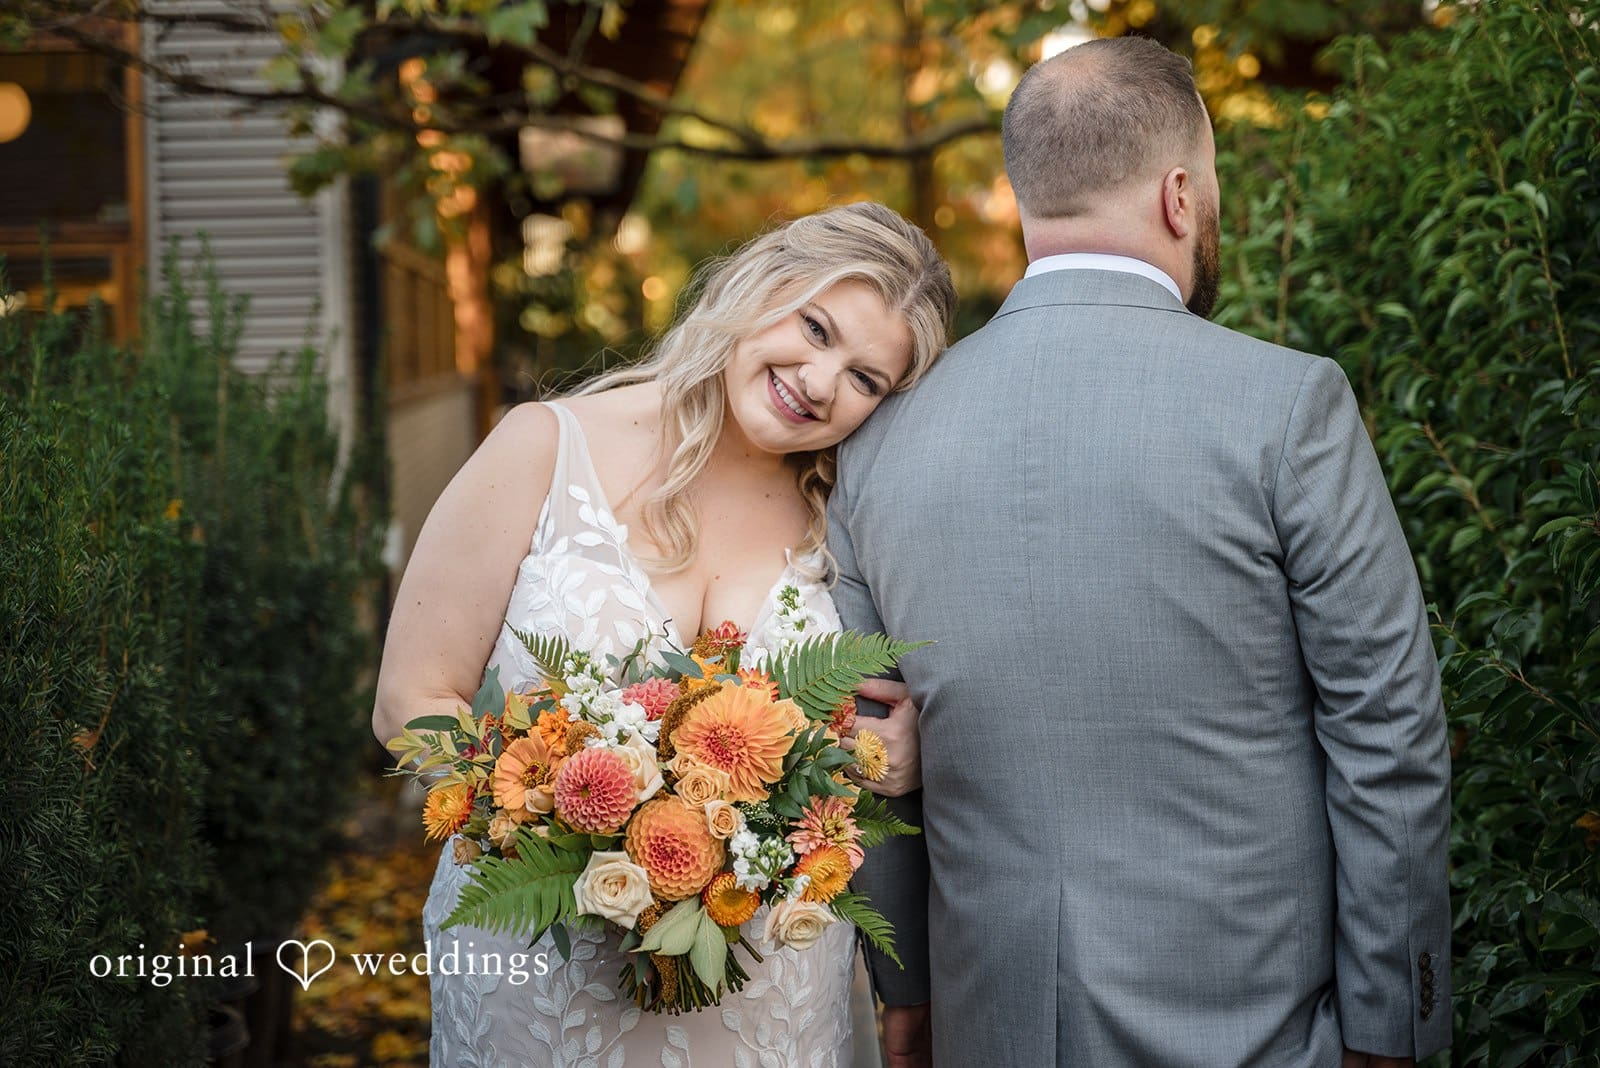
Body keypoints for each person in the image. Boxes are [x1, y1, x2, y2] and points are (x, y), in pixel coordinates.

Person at [832, 37, 1452, 1067]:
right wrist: (1392, 1028)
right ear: (1178, 195)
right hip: (1262, 1029)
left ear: (1029, 192)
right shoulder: (1287, 405)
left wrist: (908, 988)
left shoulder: (880, 440)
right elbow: (1387, 733)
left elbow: (871, 747)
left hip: (993, 1024)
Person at [371, 200, 955, 1066]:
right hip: (542, 970)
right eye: (816, 327)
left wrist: (896, 755)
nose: (823, 380)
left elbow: (885, 713)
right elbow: (408, 703)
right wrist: (570, 824)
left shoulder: (851, 518)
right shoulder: (543, 448)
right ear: (760, 288)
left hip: (765, 990)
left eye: (866, 378)